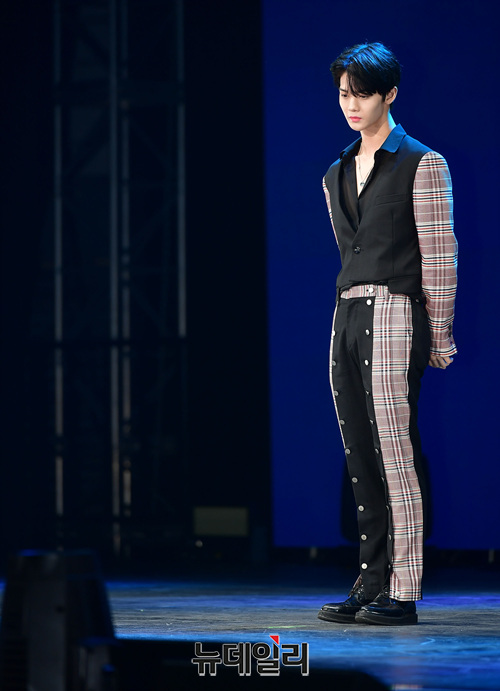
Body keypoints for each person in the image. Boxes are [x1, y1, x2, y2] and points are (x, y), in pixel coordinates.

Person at [317, 42, 458, 626]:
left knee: (395, 450)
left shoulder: (422, 163)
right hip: (347, 313)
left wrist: (439, 334)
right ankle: (370, 580)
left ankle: (403, 587)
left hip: (396, 311)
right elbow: (348, 250)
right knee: (358, 450)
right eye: (344, 94)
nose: (351, 105)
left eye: (363, 94)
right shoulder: (335, 172)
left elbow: (440, 257)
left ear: (390, 94)